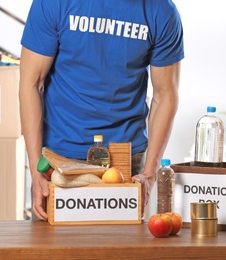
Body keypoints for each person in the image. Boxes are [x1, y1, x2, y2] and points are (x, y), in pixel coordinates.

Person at [19, 0, 184, 221]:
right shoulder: (55, 3)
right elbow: (31, 83)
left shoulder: (162, 11)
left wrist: (149, 174)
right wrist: (34, 168)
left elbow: (165, 95)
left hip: (126, 162)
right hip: (59, 161)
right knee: (52, 253)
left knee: (122, 253)